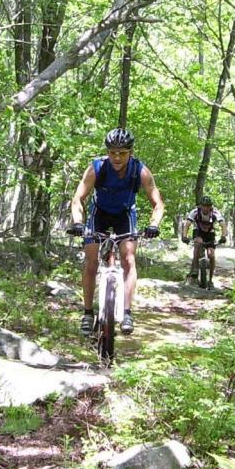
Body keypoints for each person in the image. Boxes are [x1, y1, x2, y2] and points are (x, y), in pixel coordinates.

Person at [68, 128, 164, 336]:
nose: (117, 157)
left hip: (124, 214)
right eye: (113, 152)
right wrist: (78, 222)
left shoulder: (140, 171)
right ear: (108, 152)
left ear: (130, 152)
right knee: (91, 259)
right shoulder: (96, 168)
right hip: (99, 213)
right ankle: (87, 313)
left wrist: (154, 225)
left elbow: (158, 203)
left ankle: (127, 312)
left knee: (129, 259)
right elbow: (77, 199)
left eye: (122, 153)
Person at [181, 195, 227, 289]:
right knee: (198, 242)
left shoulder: (215, 212)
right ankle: (195, 269)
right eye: (204, 206)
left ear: (211, 206)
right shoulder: (195, 212)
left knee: (211, 255)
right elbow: (187, 225)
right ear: (200, 206)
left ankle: (210, 280)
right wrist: (184, 236)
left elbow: (223, 225)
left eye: (208, 206)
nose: (205, 208)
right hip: (198, 232)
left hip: (210, 233)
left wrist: (223, 236)